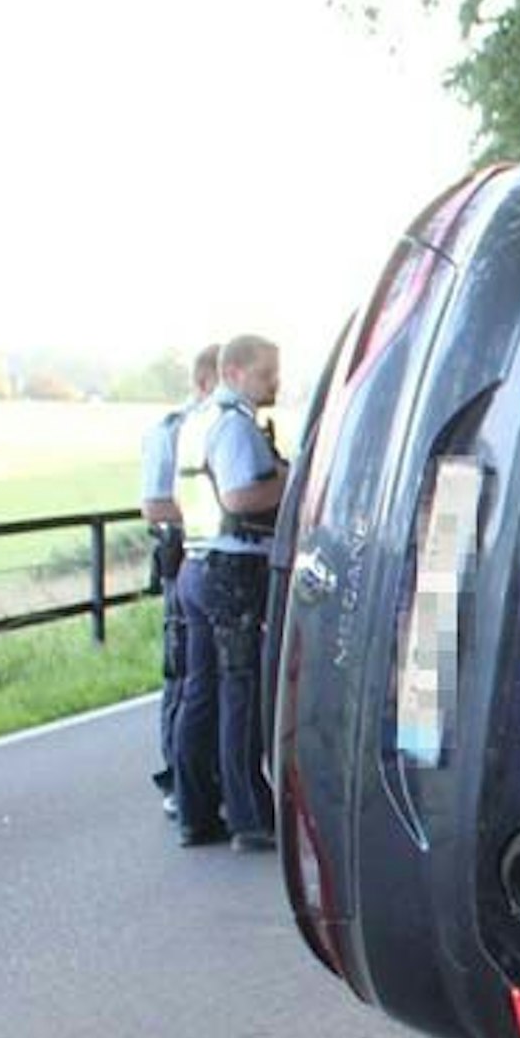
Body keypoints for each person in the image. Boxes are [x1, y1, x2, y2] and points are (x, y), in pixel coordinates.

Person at [171, 334, 287, 852]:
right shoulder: (236, 425)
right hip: (233, 567)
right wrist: (294, 480)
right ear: (236, 372)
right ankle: (249, 815)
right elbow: (240, 495)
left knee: (200, 691)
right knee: (240, 692)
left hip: (195, 563)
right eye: (266, 374)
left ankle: (195, 809)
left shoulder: (196, 421)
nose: (275, 383)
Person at [138, 344, 220, 817]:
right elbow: (153, 503)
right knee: (183, 670)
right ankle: (176, 776)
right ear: (208, 381)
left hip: (206, 556)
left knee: (205, 675)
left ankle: (204, 777)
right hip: (184, 555)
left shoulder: (214, 426)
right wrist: (215, 506)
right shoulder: (172, 431)